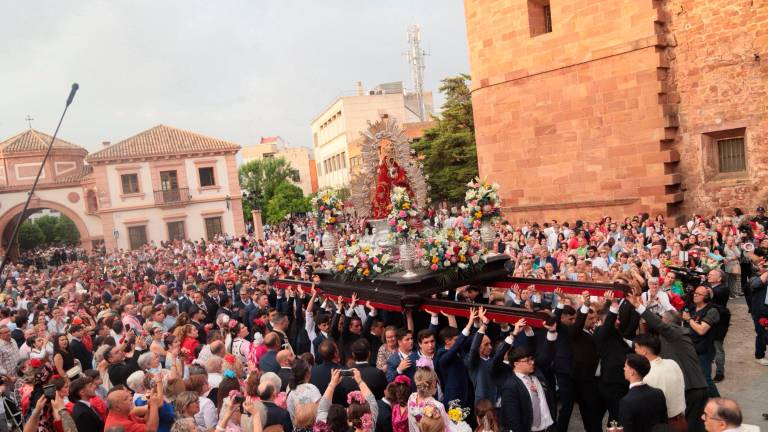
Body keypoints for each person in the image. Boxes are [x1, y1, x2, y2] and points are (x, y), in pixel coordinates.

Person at [633, 333, 687, 432]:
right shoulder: (672, 363)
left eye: (636, 348)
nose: (635, 351)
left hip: (664, 426)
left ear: (644, 351)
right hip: (682, 421)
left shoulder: (646, 376)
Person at [500, 346, 556, 432]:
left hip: (548, 427)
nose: (532, 362)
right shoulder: (510, 386)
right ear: (516, 364)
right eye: (528, 360)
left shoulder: (537, 375)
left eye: (532, 359)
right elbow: (514, 419)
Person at [618, 353, 668, 432]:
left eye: (626, 366)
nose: (623, 368)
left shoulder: (626, 402)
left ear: (632, 372)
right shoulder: (658, 394)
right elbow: (664, 424)